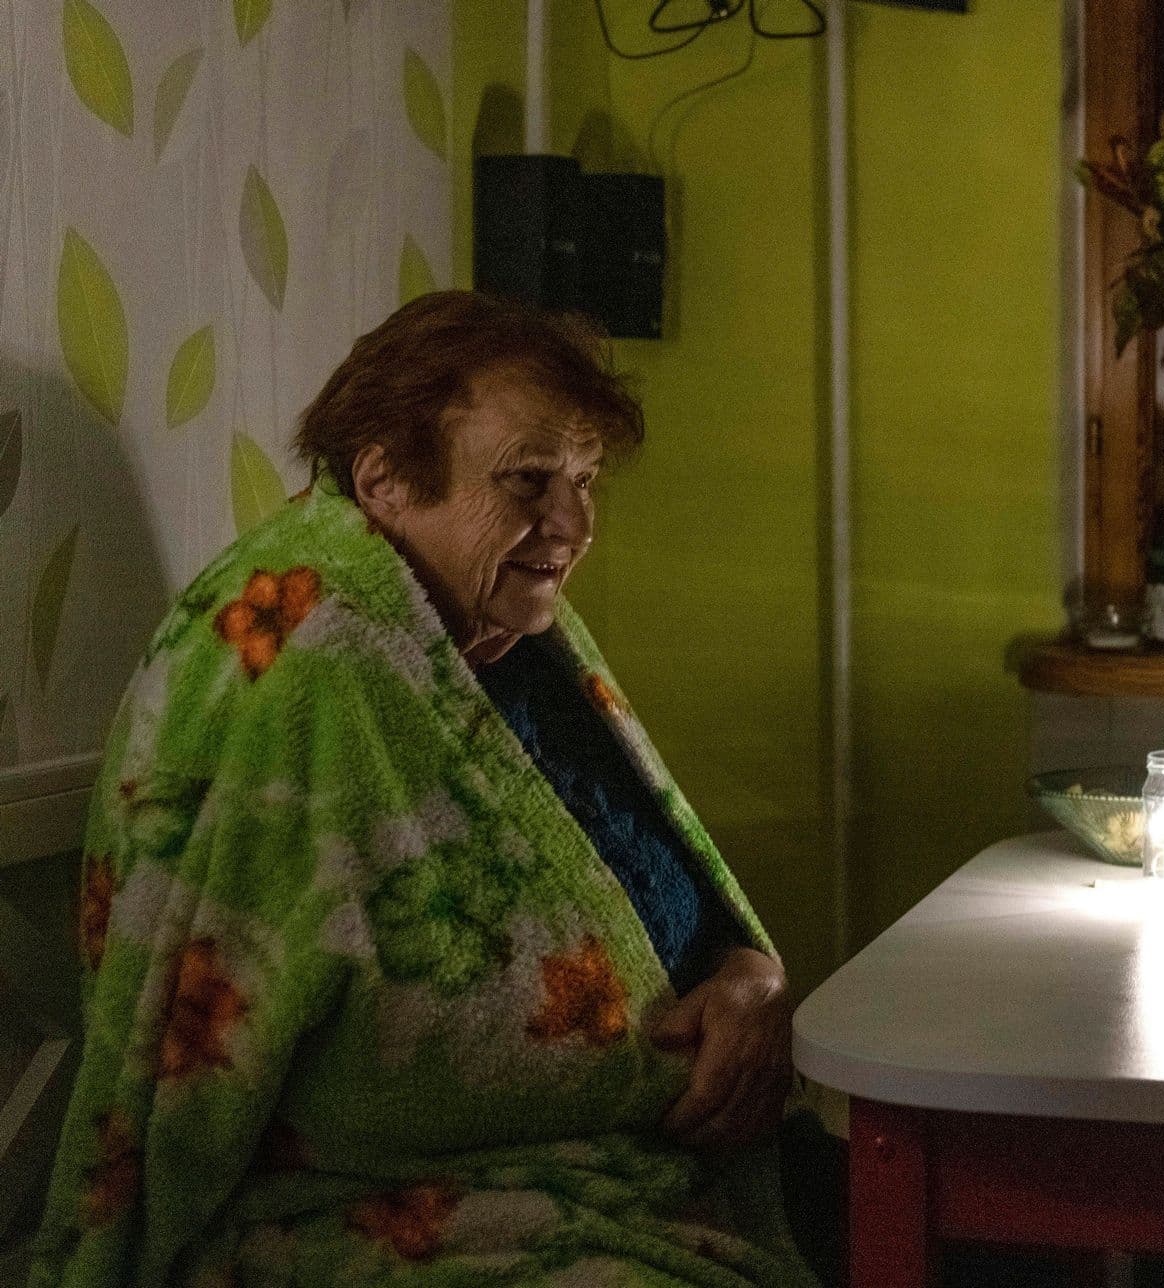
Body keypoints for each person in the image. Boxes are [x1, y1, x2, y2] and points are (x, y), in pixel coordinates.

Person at [30, 291, 822, 1287]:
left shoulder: (501, 621)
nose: (573, 523)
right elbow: (191, 1061)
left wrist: (751, 977)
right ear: (387, 478)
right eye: (530, 480)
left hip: (647, 1165)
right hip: (415, 1205)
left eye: (585, 479)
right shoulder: (312, 668)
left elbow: (667, 880)